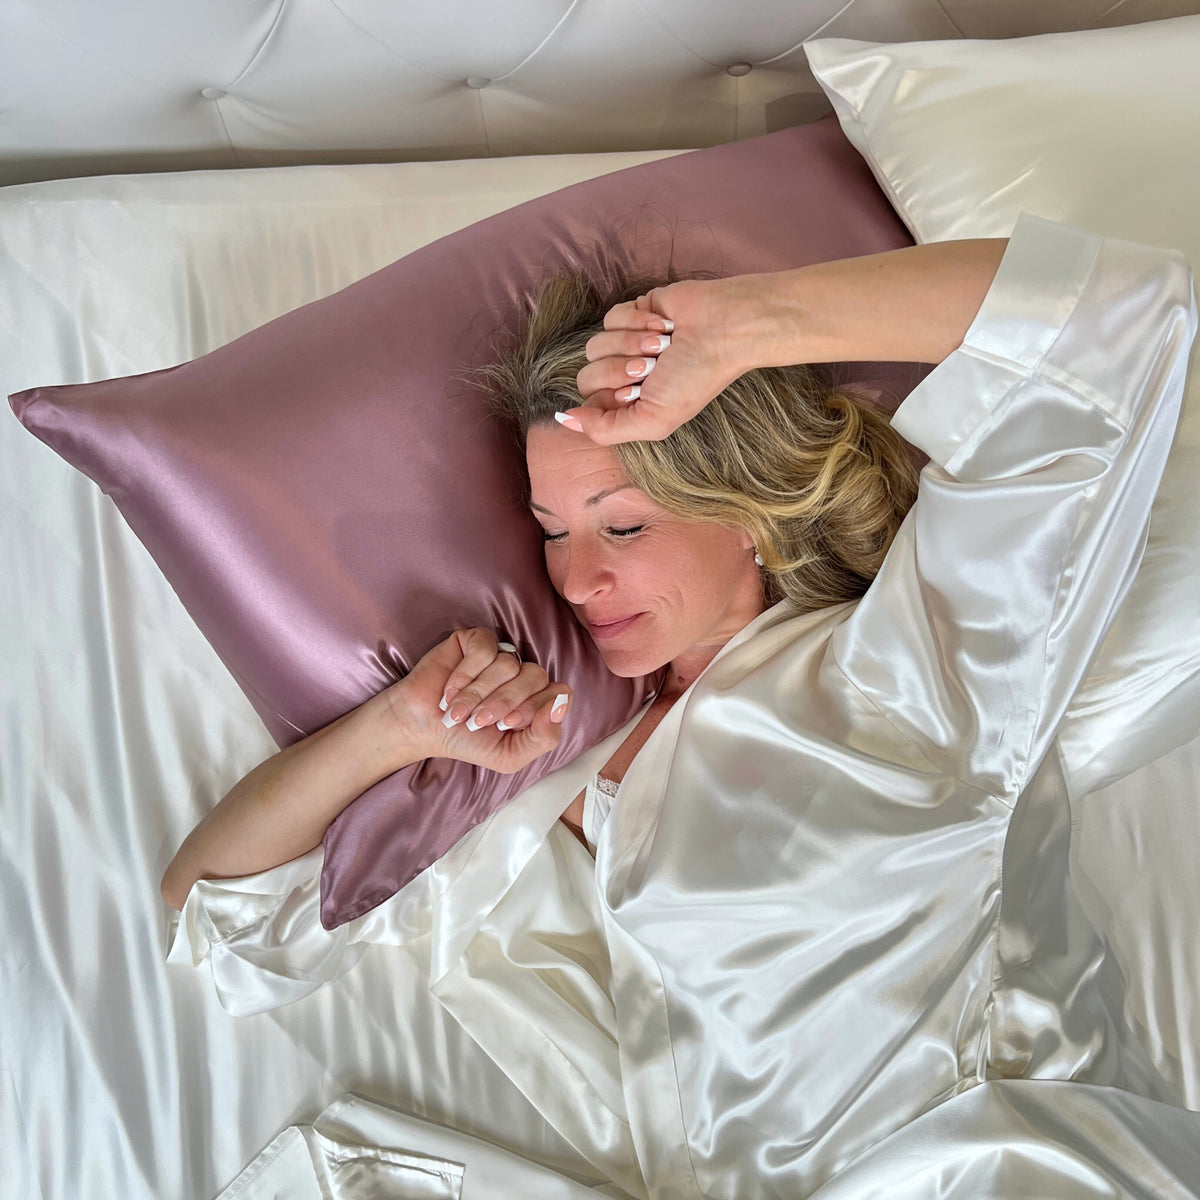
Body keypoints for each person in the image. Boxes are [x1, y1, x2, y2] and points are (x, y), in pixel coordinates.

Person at [162, 214, 1200, 1198]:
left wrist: (751, 324)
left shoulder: (904, 671)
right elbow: (220, 917)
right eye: (550, 530)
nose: (574, 582)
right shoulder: (532, 780)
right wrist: (399, 726)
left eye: (621, 527)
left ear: (743, 512)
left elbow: (1121, 315)